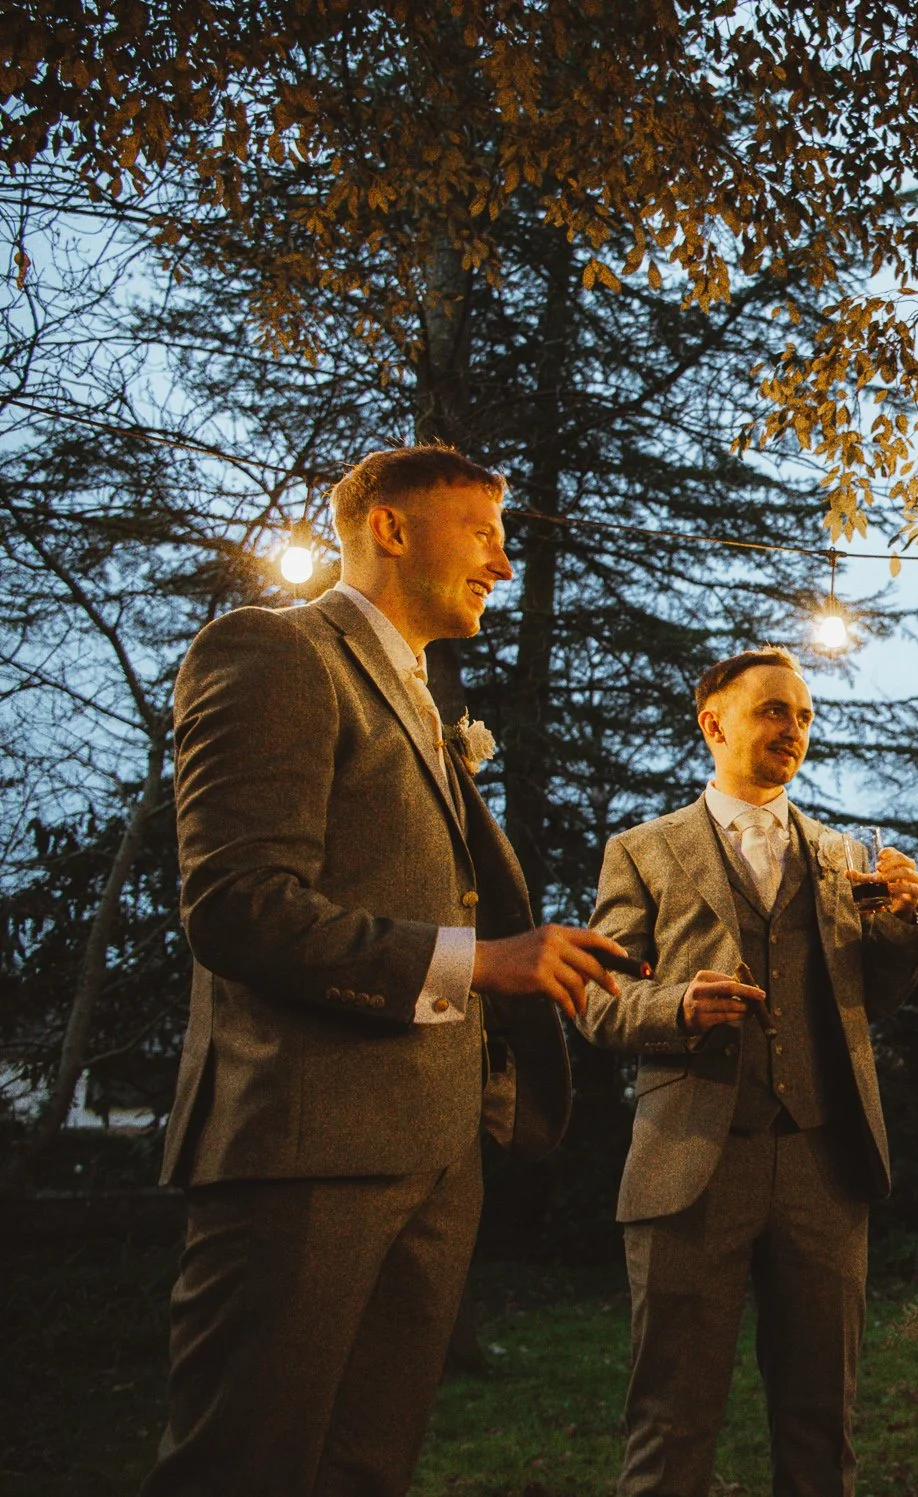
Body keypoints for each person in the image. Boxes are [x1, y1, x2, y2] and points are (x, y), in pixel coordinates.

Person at [145, 444, 627, 1497]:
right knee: (243, 1467)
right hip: (302, 1152)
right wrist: (479, 962)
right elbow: (237, 908)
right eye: (483, 534)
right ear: (392, 530)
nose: (503, 564)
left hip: (434, 1154)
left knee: (365, 1469)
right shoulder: (273, 651)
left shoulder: (421, 697)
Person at [575, 646, 918, 1497]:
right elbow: (596, 1000)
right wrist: (674, 1008)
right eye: (775, 710)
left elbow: (869, 996)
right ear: (715, 724)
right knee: (670, 1422)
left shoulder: (842, 854)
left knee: (822, 1425)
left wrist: (907, 919)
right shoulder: (643, 850)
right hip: (691, 1163)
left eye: (804, 716)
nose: (794, 729)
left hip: (823, 1163)